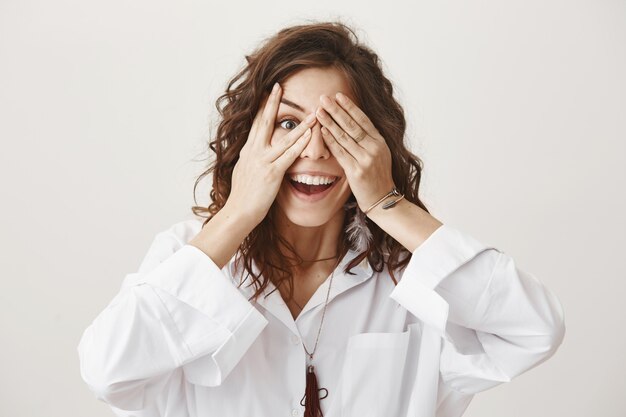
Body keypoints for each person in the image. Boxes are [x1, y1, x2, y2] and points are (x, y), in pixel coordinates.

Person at [77, 21, 566, 417]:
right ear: (251, 138)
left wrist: (389, 203)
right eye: (288, 124)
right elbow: (106, 369)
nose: (313, 150)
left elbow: (534, 328)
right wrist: (241, 210)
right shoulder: (192, 256)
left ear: (373, 143)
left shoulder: (411, 274)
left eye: (339, 127)